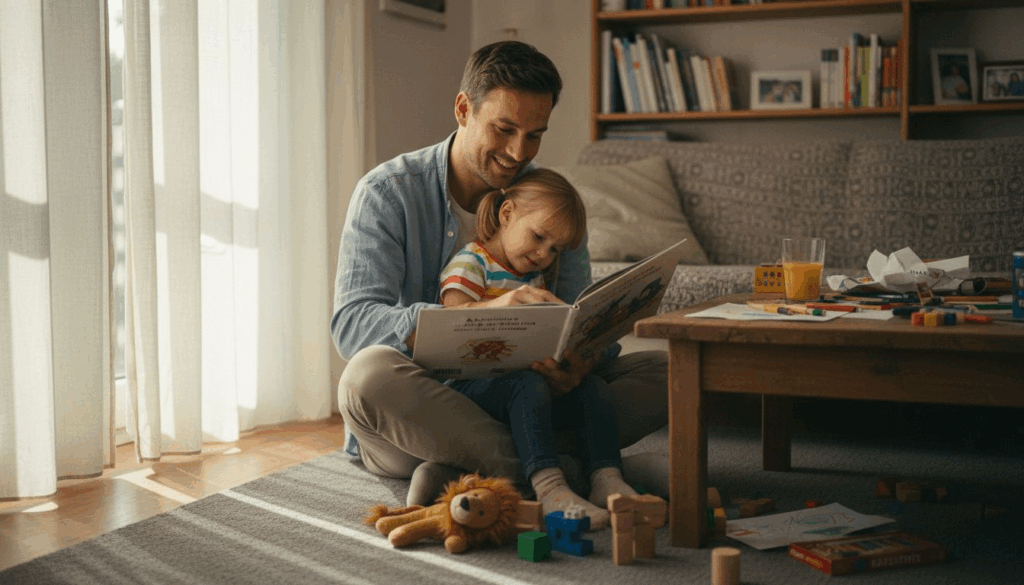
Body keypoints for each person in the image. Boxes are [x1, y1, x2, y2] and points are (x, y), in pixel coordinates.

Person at [332, 41, 669, 512]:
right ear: (463, 109)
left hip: (530, 395)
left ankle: (480, 470)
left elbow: (578, 316)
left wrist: (578, 360)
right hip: (431, 405)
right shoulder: (387, 194)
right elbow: (353, 326)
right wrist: (483, 316)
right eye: (504, 129)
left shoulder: (547, 202)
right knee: (365, 379)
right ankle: (576, 471)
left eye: (534, 135)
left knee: (668, 371)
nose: (518, 152)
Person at [437, 168, 634, 527]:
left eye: (555, 249)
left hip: (527, 382)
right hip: (472, 385)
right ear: (507, 214)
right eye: (540, 237)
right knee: (527, 386)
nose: (545, 254)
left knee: (593, 388)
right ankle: (550, 488)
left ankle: (606, 478)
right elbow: (452, 324)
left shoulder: (534, 276)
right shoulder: (472, 263)